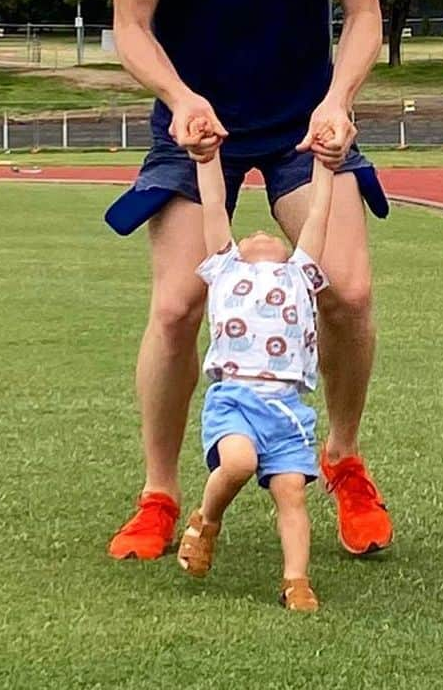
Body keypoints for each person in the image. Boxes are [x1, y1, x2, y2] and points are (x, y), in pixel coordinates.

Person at [103, 0, 393, 564]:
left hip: (306, 118)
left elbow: (365, 14)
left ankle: (340, 457)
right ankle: (160, 492)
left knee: (349, 293)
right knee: (175, 307)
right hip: (197, 123)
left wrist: (339, 101)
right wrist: (178, 96)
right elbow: (131, 25)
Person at [175, 146, 333, 612]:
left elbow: (319, 213)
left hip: (288, 409)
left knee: (292, 494)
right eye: (250, 233)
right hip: (237, 399)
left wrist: (325, 164)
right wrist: (207, 160)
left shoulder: (301, 272)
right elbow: (213, 206)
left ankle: (296, 581)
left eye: (270, 232)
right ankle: (207, 521)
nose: (261, 232)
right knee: (238, 464)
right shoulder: (226, 268)